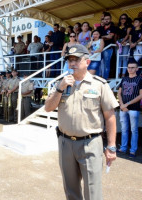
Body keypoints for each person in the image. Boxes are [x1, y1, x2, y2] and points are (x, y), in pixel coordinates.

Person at [44, 44, 118, 200]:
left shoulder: (99, 85)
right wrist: (60, 88)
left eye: (76, 60)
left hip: (90, 144)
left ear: (88, 62)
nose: (72, 64)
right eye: (70, 60)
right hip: (65, 144)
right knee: (71, 190)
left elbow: (110, 116)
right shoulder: (61, 83)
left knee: (93, 192)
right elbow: (48, 108)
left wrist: (111, 147)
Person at [117, 61, 142, 158]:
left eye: (132, 67)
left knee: (134, 130)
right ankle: (123, 148)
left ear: (137, 69)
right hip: (123, 108)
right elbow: (119, 93)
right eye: (129, 67)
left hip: (134, 108)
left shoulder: (140, 80)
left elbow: (141, 95)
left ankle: (133, 150)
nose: (130, 69)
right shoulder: (124, 79)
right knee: (124, 129)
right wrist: (122, 105)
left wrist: (127, 104)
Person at [97, 12, 116, 79]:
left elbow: (110, 37)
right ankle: (97, 77)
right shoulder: (99, 28)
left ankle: (105, 79)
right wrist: (105, 37)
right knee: (97, 63)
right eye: (105, 19)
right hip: (99, 48)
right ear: (103, 20)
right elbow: (96, 37)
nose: (106, 20)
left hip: (108, 48)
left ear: (110, 19)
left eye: (108, 19)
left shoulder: (113, 27)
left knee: (106, 64)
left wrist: (101, 37)